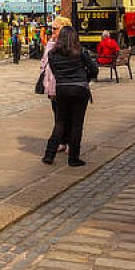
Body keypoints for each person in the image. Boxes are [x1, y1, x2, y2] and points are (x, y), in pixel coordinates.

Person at [42, 25, 99, 167]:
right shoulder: (80, 52)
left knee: (60, 122)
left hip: (62, 88)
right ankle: (73, 158)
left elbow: (54, 71)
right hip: (80, 88)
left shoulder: (52, 55)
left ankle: (49, 155)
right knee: (76, 124)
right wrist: (85, 77)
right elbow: (94, 69)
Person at [40, 16, 72, 154]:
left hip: (64, 83)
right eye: (51, 28)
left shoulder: (69, 44)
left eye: (55, 28)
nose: (52, 31)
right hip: (51, 84)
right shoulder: (50, 42)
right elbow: (44, 60)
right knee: (57, 114)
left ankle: (68, 142)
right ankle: (62, 141)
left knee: (67, 115)